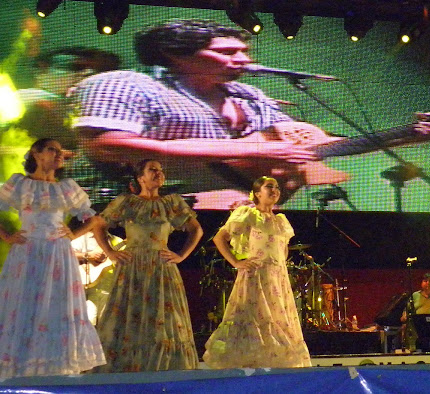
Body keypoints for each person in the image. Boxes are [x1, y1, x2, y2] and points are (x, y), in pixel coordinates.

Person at [69, 19, 430, 209]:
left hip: (226, 215)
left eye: (245, 52)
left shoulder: (247, 95)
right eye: (228, 52)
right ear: (175, 53)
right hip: (126, 213)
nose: (244, 60)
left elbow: (307, 148)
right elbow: (109, 145)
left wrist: (406, 135)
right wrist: (252, 153)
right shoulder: (126, 84)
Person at [0, 138, 106, 377]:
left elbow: (96, 219)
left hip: (58, 255)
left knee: (56, 307)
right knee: (24, 305)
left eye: (60, 151)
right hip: (27, 253)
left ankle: (55, 370)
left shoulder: (66, 187)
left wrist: (73, 234)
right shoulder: (20, 184)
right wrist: (7, 236)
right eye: (52, 150)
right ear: (36, 154)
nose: (59, 154)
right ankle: (21, 369)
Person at [92, 159, 203, 372]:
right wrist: (111, 253)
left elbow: (196, 230)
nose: (158, 173)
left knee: (163, 317)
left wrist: (180, 256)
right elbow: (99, 224)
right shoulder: (127, 202)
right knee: (130, 316)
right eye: (152, 170)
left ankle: (163, 367)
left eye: (161, 170)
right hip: (133, 267)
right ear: (140, 178)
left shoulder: (172, 202)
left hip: (161, 267)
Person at [203, 176, 311, 368]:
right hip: (256, 276)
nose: (275, 190)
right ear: (257, 193)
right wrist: (236, 262)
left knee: (279, 320)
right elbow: (220, 238)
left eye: (277, 187)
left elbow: (284, 248)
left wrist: (279, 269)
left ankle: (276, 362)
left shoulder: (281, 221)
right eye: (269, 187)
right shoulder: (248, 214)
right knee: (253, 318)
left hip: (277, 279)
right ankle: (249, 364)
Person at [15, 47, 121, 150]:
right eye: (77, 67)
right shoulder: (26, 98)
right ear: (43, 68)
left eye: (97, 72)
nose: (86, 74)